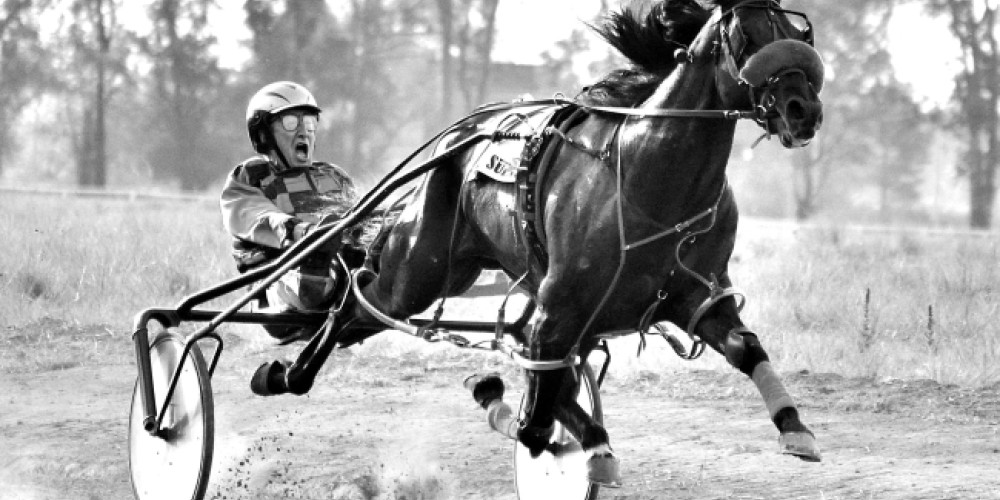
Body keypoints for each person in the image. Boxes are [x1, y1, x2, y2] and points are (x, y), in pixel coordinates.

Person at [220, 81, 361, 344]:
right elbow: (256, 216)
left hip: (344, 277)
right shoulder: (251, 176)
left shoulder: (333, 176)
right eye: (290, 124)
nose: (303, 133)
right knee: (312, 270)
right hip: (276, 285)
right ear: (263, 135)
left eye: (309, 124)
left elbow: (362, 217)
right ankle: (315, 269)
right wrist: (300, 232)